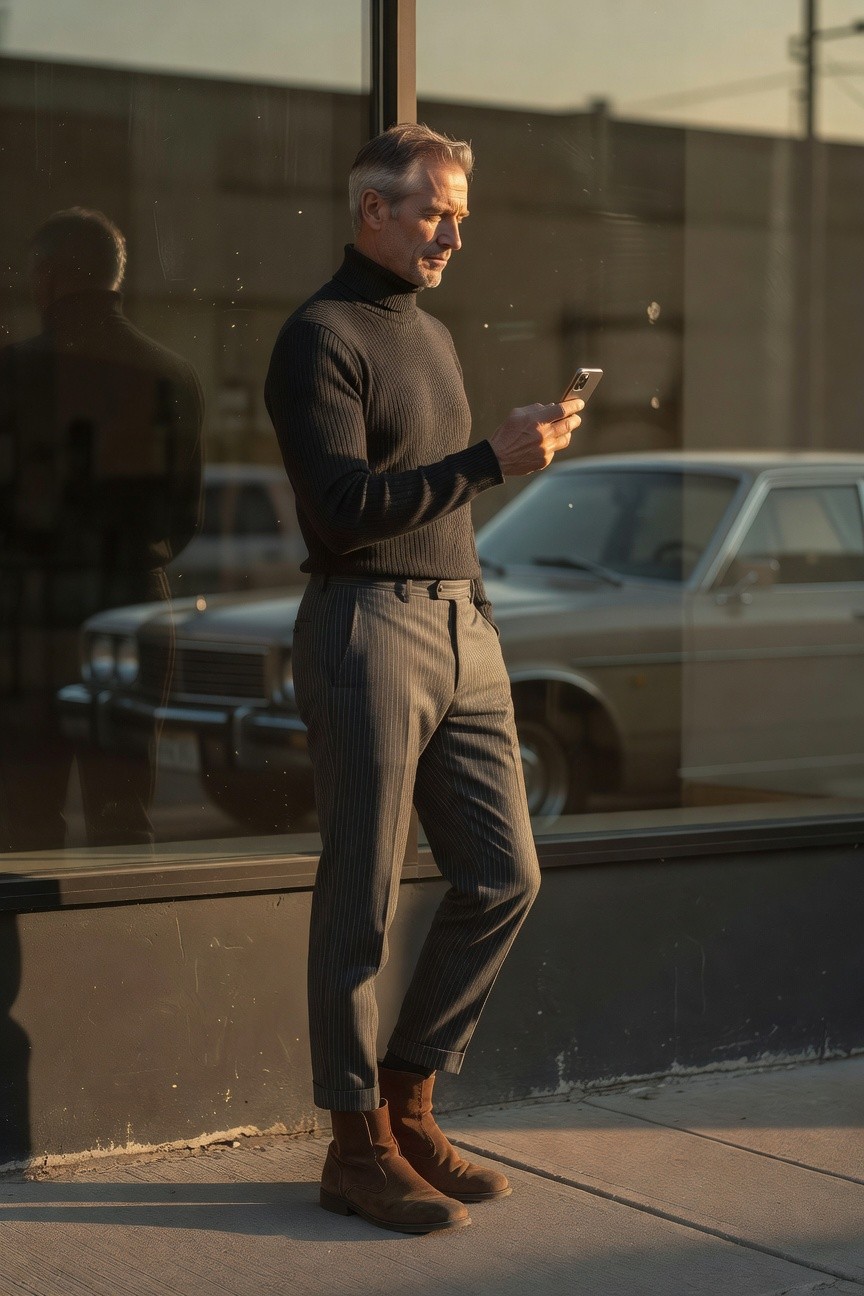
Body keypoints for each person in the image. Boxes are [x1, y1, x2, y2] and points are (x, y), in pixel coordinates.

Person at [265, 124, 583, 1234]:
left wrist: (498, 476)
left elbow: (440, 493)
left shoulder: (432, 339)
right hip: (366, 625)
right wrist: (489, 461)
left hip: (462, 624)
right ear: (376, 212)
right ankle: (353, 1147)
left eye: (459, 211)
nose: (457, 230)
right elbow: (344, 512)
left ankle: (408, 1099)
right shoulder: (319, 338)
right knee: (359, 892)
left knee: (506, 873)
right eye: (438, 210)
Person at [0, 208, 203, 851]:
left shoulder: (11, 373)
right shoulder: (169, 373)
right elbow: (184, 518)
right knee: (123, 811)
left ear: (49, 277)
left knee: (25, 816)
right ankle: (128, 951)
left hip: (27, 615)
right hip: (133, 610)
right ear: (116, 279)